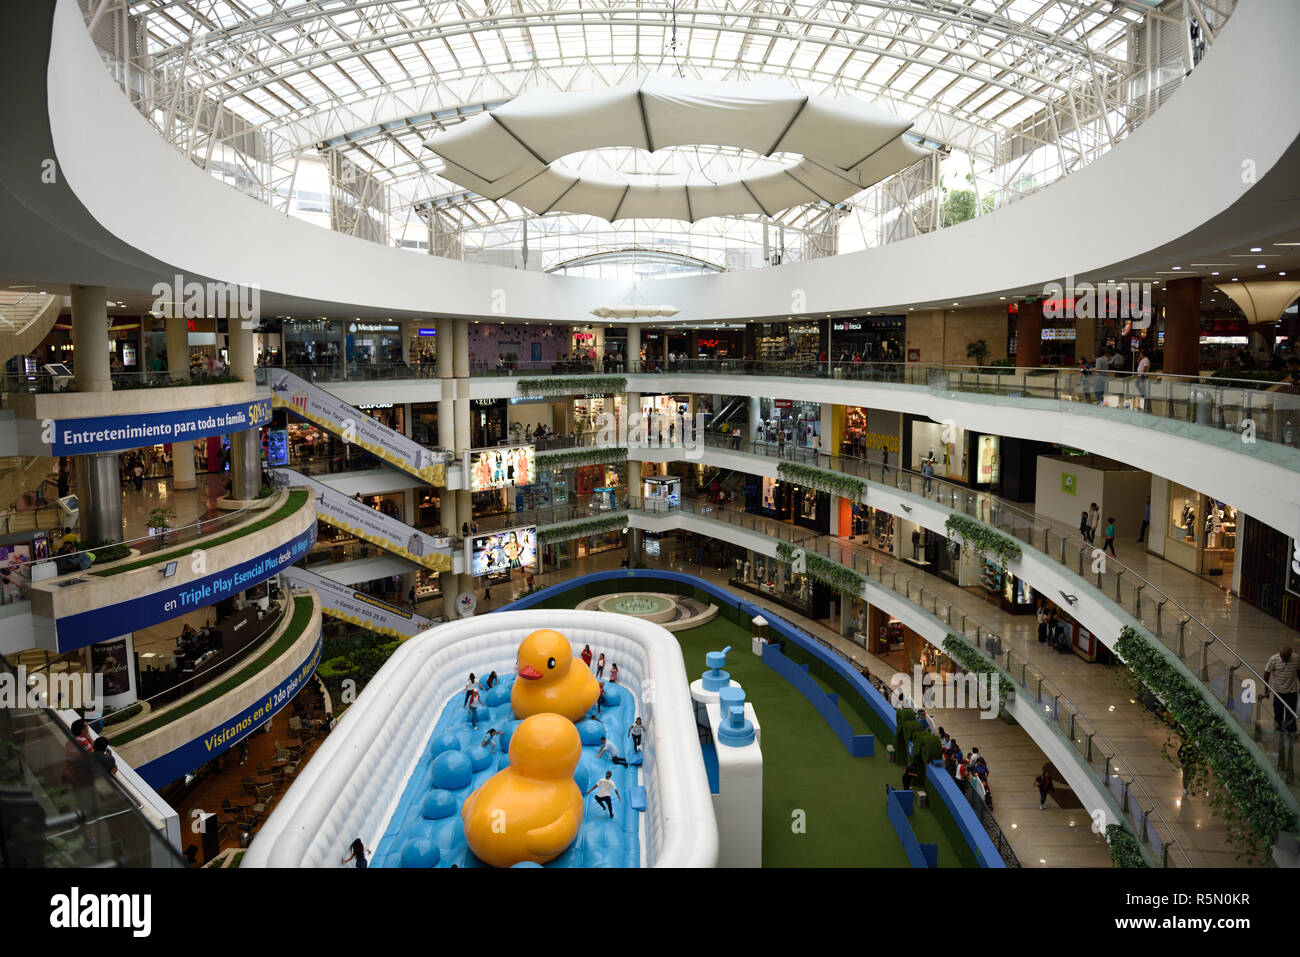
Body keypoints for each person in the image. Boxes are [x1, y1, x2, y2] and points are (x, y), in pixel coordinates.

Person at [1264, 645, 1300, 739]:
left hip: (1292, 690)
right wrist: (1266, 689)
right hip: (1278, 691)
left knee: (1291, 712)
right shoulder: (1273, 659)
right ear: (1280, 654)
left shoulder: (1296, 658)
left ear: (1291, 655)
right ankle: (1278, 726)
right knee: (1278, 710)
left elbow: (1299, 672)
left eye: (1288, 657)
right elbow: (1266, 673)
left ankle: (1291, 731)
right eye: (1284, 657)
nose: (1286, 659)